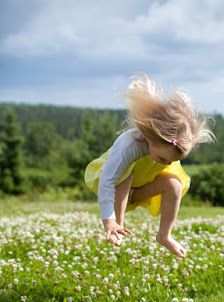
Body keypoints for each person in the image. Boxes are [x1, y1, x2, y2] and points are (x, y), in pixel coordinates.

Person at [84, 73, 215, 257]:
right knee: (126, 174)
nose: (167, 163)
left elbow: (166, 163)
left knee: (175, 184)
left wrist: (165, 163)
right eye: (164, 159)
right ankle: (118, 227)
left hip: (141, 186)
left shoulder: (165, 148)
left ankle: (164, 235)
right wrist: (109, 220)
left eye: (171, 161)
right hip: (115, 184)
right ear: (153, 139)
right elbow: (107, 180)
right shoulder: (129, 145)